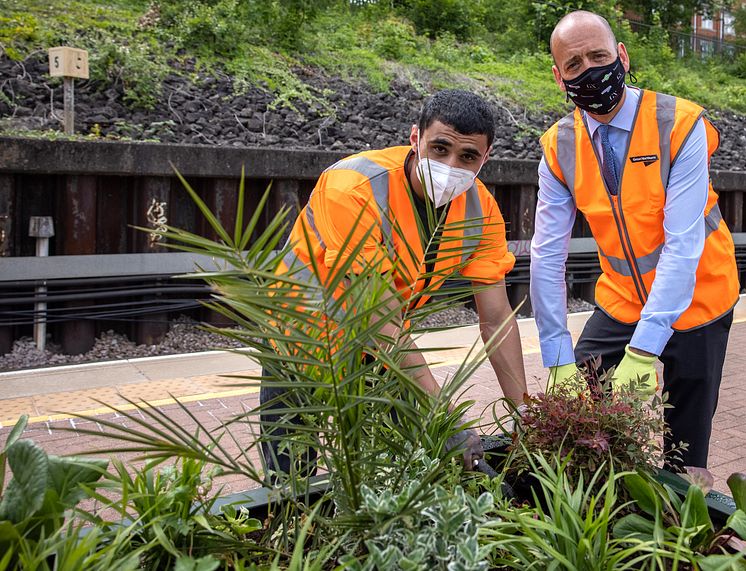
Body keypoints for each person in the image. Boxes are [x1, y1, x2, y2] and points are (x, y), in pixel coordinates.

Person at [261, 89, 528, 477]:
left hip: (385, 346)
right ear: (415, 138)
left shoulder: (480, 209)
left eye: (468, 157)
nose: (451, 165)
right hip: (301, 342)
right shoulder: (352, 188)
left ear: (485, 159)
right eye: (440, 148)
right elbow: (375, 316)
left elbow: (497, 316)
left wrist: (524, 411)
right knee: (292, 483)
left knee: (424, 462)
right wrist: (442, 412)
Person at [530, 10, 739, 469]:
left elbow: (682, 245)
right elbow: (546, 256)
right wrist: (557, 353)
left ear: (622, 57)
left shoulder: (679, 125)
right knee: (576, 418)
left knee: (687, 442)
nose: (589, 70)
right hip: (623, 299)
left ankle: (688, 527)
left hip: (700, 297)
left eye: (599, 56)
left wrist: (643, 352)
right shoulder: (558, 147)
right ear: (558, 76)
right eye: (574, 64)